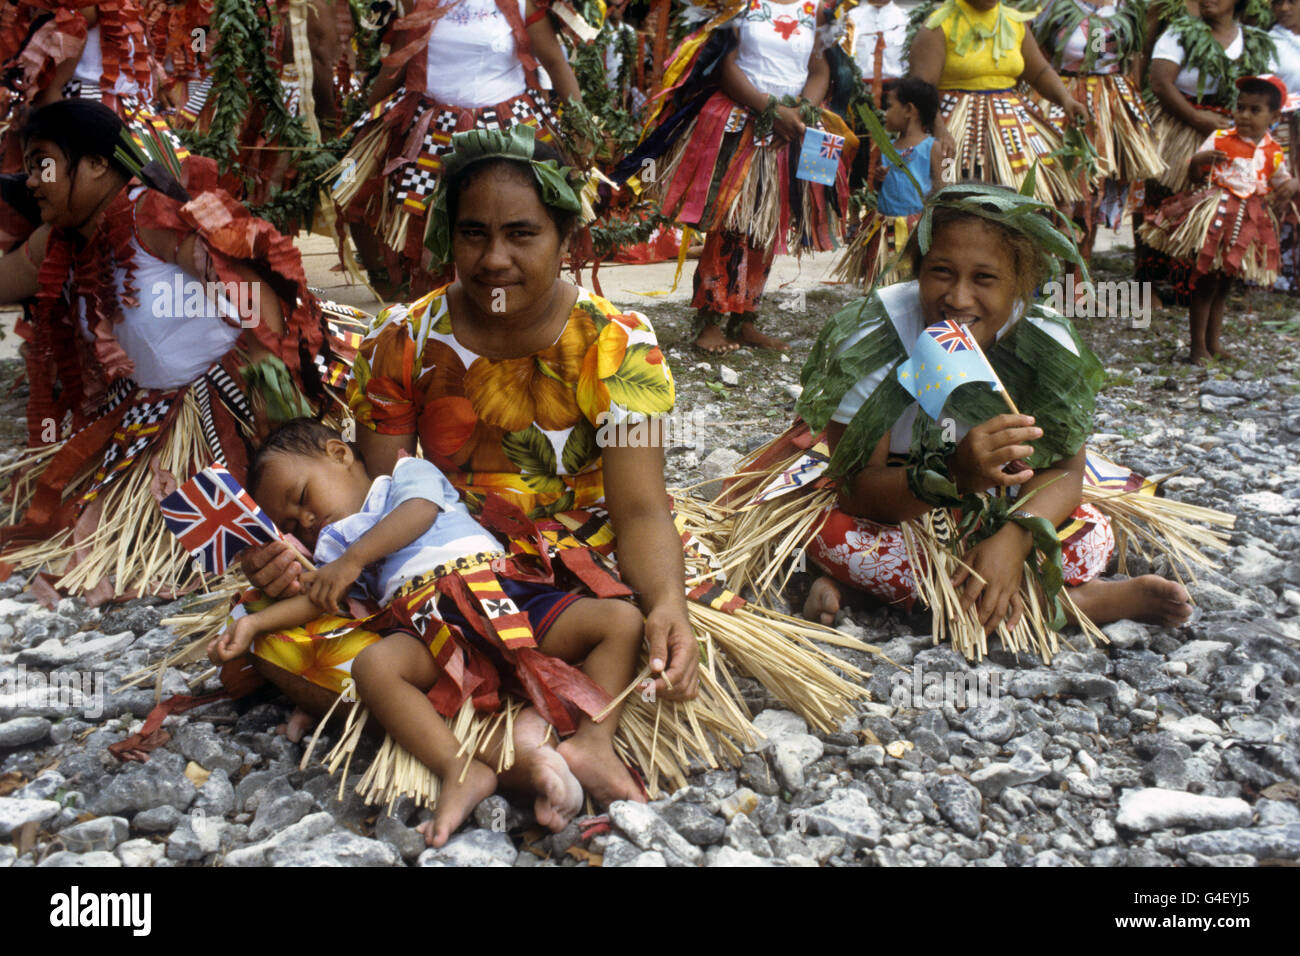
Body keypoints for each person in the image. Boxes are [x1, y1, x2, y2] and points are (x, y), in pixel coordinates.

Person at [720, 185, 1209, 657]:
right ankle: (1069, 603)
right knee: (832, 535)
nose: (957, 297)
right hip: (892, 500)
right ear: (917, 270)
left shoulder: (1045, 341)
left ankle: (877, 596)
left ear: (1021, 281)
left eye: (985, 278)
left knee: (1090, 536)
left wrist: (1014, 539)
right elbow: (854, 489)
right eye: (941, 272)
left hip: (1002, 502)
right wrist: (954, 475)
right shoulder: (872, 333)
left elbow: (1065, 472)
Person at [210, 419, 645, 844]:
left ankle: (593, 740)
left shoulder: (405, 476)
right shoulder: (336, 549)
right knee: (374, 666)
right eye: (291, 525)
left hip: (501, 596)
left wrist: (354, 560)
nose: (306, 520)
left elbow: (418, 513)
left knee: (620, 621)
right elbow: (319, 598)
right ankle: (459, 768)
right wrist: (254, 623)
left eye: (301, 496)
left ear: (339, 453)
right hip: (429, 627)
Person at [0, 99, 337, 603]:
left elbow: (251, 295)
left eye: (43, 164)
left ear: (96, 164)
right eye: (27, 168)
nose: (31, 181)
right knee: (94, 538)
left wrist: (281, 406)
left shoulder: (153, 215)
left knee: (254, 539)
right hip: (154, 416)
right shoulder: (61, 241)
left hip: (231, 403)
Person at [617, 0, 856, 355]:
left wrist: (801, 112)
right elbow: (723, 64)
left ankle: (744, 322)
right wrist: (770, 110)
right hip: (740, 121)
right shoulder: (737, 4)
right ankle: (709, 322)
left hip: (791, 128)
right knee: (732, 221)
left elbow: (820, 69)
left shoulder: (818, 8)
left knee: (766, 225)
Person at [328, 0, 587, 300]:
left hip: (507, 131)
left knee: (502, 216)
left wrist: (581, 127)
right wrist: (364, 123)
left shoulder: (522, 3)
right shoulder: (415, 3)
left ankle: (505, 295)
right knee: (404, 211)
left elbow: (555, 63)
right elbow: (397, 65)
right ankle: (413, 295)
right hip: (429, 127)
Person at [1140, 75, 1298, 361]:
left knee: (1224, 284)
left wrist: (1293, 185)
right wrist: (1198, 163)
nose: (1244, 115)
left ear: (1274, 116)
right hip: (1217, 217)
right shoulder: (1220, 138)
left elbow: (1281, 180)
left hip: (1247, 222)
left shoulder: (1273, 151)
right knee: (1205, 281)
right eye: (1240, 107)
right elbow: (1193, 175)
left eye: (1254, 110)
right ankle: (1197, 347)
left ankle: (1214, 345)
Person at [1137, 0, 1275, 301]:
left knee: (1210, 206)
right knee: (1162, 200)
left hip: (1229, 132)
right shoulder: (1180, 33)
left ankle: (1190, 285)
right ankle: (1145, 286)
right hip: (1179, 124)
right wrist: (1198, 119)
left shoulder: (1253, 41)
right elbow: (1160, 83)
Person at [909, 0, 1090, 204]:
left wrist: (1066, 100)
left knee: (1021, 200)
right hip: (954, 127)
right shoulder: (939, 25)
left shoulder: (1014, 22)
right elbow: (921, 87)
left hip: (1009, 127)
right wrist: (939, 129)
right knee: (957, 203)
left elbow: (1039, 72)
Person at [1032, 0, 1166, 265]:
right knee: (1057, 183)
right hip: (1061, 96)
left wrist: (1133, 108)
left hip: (1110, 100)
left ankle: (1079, 272)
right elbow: (1034, 54)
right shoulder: (1050, 5)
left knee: (1095, 187)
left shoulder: (1129, 6)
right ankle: (1042, 267)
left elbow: (1135, 57)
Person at [834, 76, 941, 288]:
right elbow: (880, 189)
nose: (885, 113)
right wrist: (881, 181)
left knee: (912, 281)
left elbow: (943, 186)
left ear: (909, 110)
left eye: (890, 106)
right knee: (882, 282)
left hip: (915, 229)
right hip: (885, 226)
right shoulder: (887, 146)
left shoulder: (934, 148)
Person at [1268, 0, 1300, 293]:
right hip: (1284, 128)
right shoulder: (1268, 42)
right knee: (1283, 193)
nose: (1284, 8)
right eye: (1277, 2)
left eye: (1292, 1)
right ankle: (1278, 270)